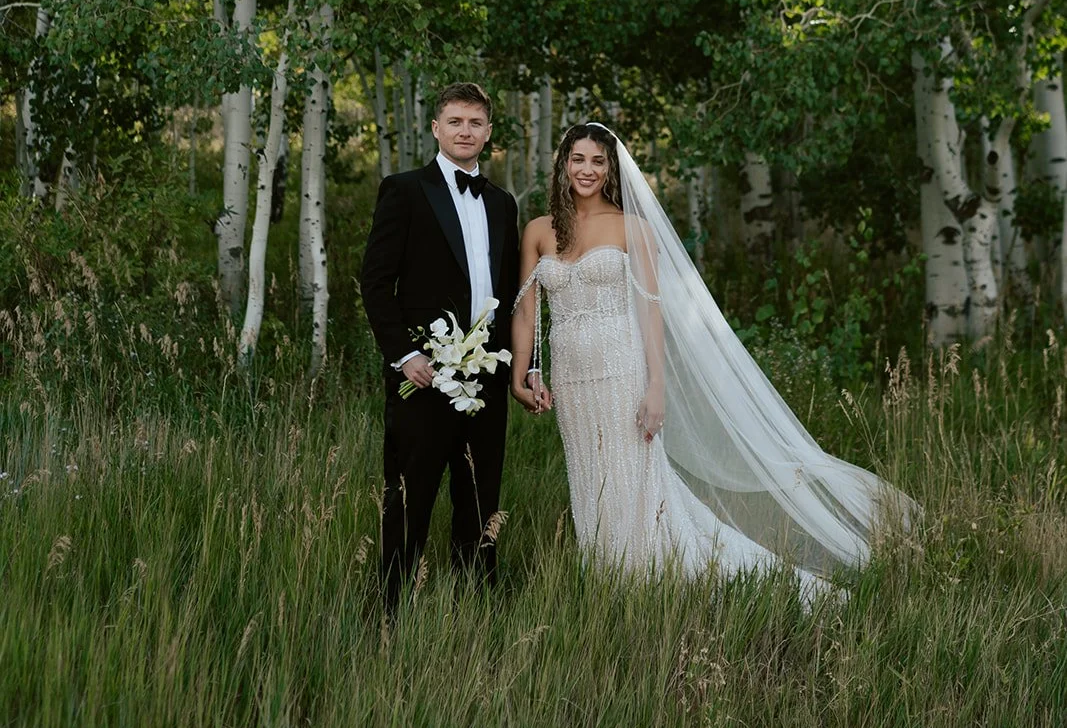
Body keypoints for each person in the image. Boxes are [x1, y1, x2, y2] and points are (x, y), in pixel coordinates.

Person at [511, 122, 916, 599]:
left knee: (634, 477)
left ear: (610, 169)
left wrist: (656, 386)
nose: (587, 170)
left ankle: (652, 576)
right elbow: (525, 310)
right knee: (589, 477)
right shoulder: (539, 230)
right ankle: (607, 576)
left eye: (598, 161)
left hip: (623, 372)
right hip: (574, 383)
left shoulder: (632, 228)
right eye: (578, 159)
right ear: (563, 164)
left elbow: (651, 310)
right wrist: (524, 371)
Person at [361, 82, 520, 608]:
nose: (465, 131)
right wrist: (405, 356)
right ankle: (390, 610)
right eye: (455, 122)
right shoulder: (404, 190)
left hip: (486, 380)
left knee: (478, 498)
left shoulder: (502, 204)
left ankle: (478, 606)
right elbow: (375, 281)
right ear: (436, 128)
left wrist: (521, 364)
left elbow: (513, 292)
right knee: (411, 495)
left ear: (489, 132)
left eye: (475, 123)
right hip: (423, 374)